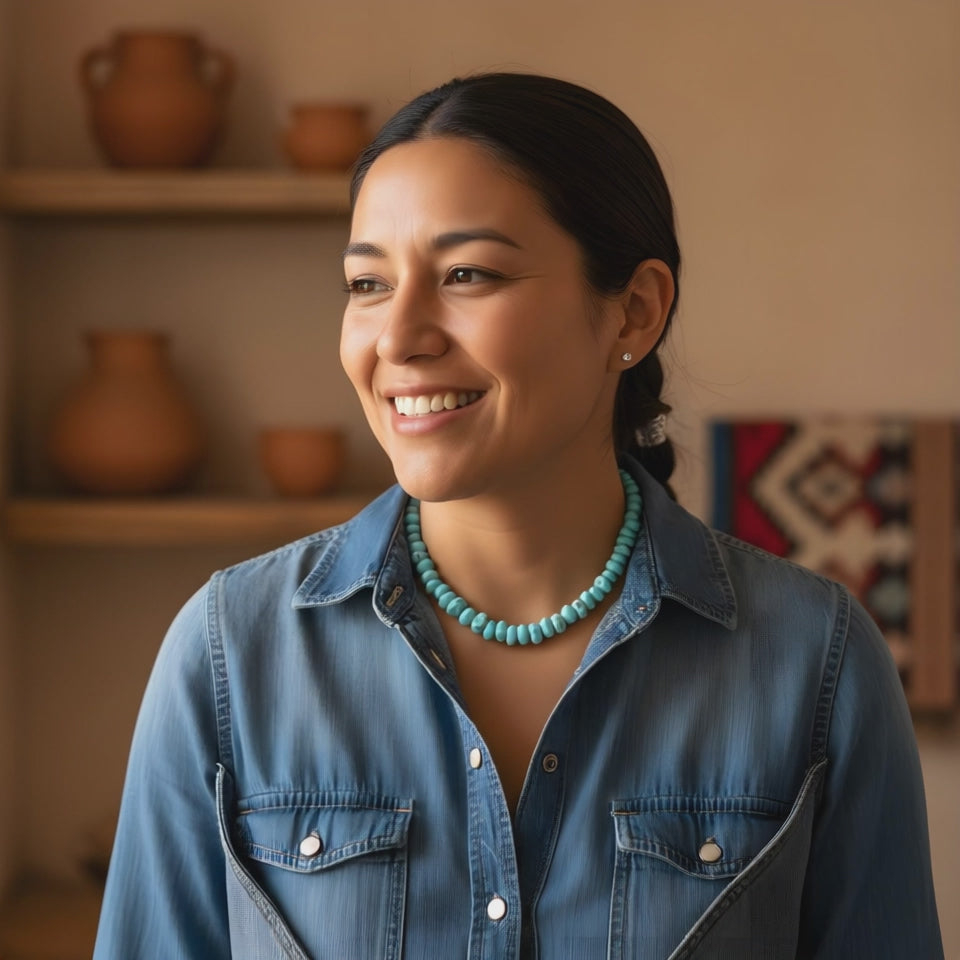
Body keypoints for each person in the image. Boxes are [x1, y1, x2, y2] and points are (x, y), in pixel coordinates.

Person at [93, 73, 943, 959]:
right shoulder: (230, 651)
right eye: (367, 283)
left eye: (468, 274)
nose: (399, 337)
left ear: (635, 310)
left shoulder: (819, 662)